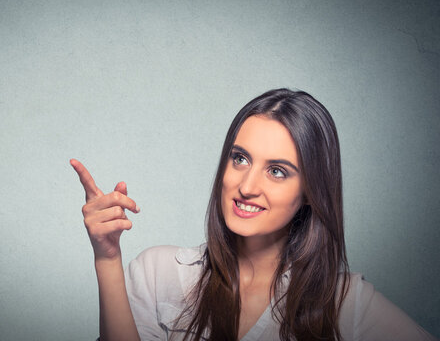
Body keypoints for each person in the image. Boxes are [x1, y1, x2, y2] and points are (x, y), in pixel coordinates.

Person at [71, 88, 436, 341]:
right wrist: (106, 257)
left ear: (310, 191)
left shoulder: (345, 303)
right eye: (240, 158)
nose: (247, 186)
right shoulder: (157, 273)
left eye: (277, 171)